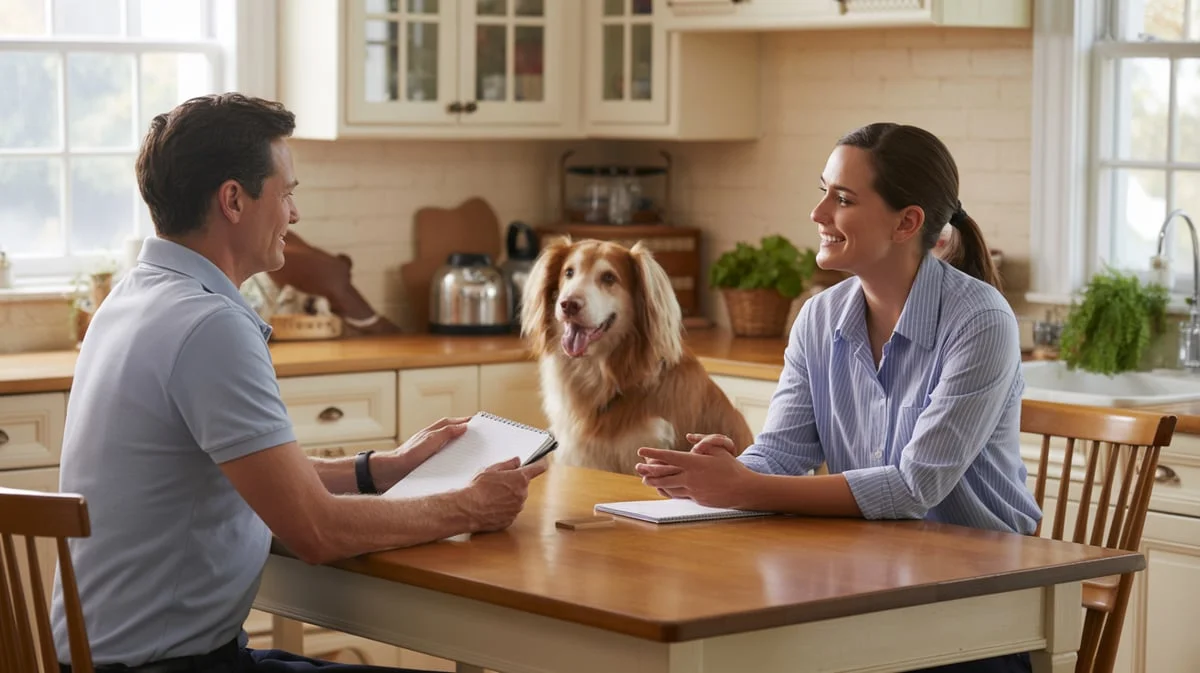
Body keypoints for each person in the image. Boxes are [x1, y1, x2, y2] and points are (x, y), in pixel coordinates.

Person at [50, 93, 547, 673]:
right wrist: (470, 507)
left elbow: (245, 473)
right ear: (234, 200)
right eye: (286, 193)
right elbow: (316, 530)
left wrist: (380, 467)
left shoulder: (132, 299)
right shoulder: (210, 325)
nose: (294, 214)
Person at [635, 123, 1041, 673]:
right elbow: (779, 453)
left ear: (908, 222)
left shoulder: (981, 320)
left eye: (843, 198)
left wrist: (747, 486)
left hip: (978, 608)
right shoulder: (817, 318)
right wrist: (726, 471)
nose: (818, 212)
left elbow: (913, 487)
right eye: (823, 190)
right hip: (867, 588)